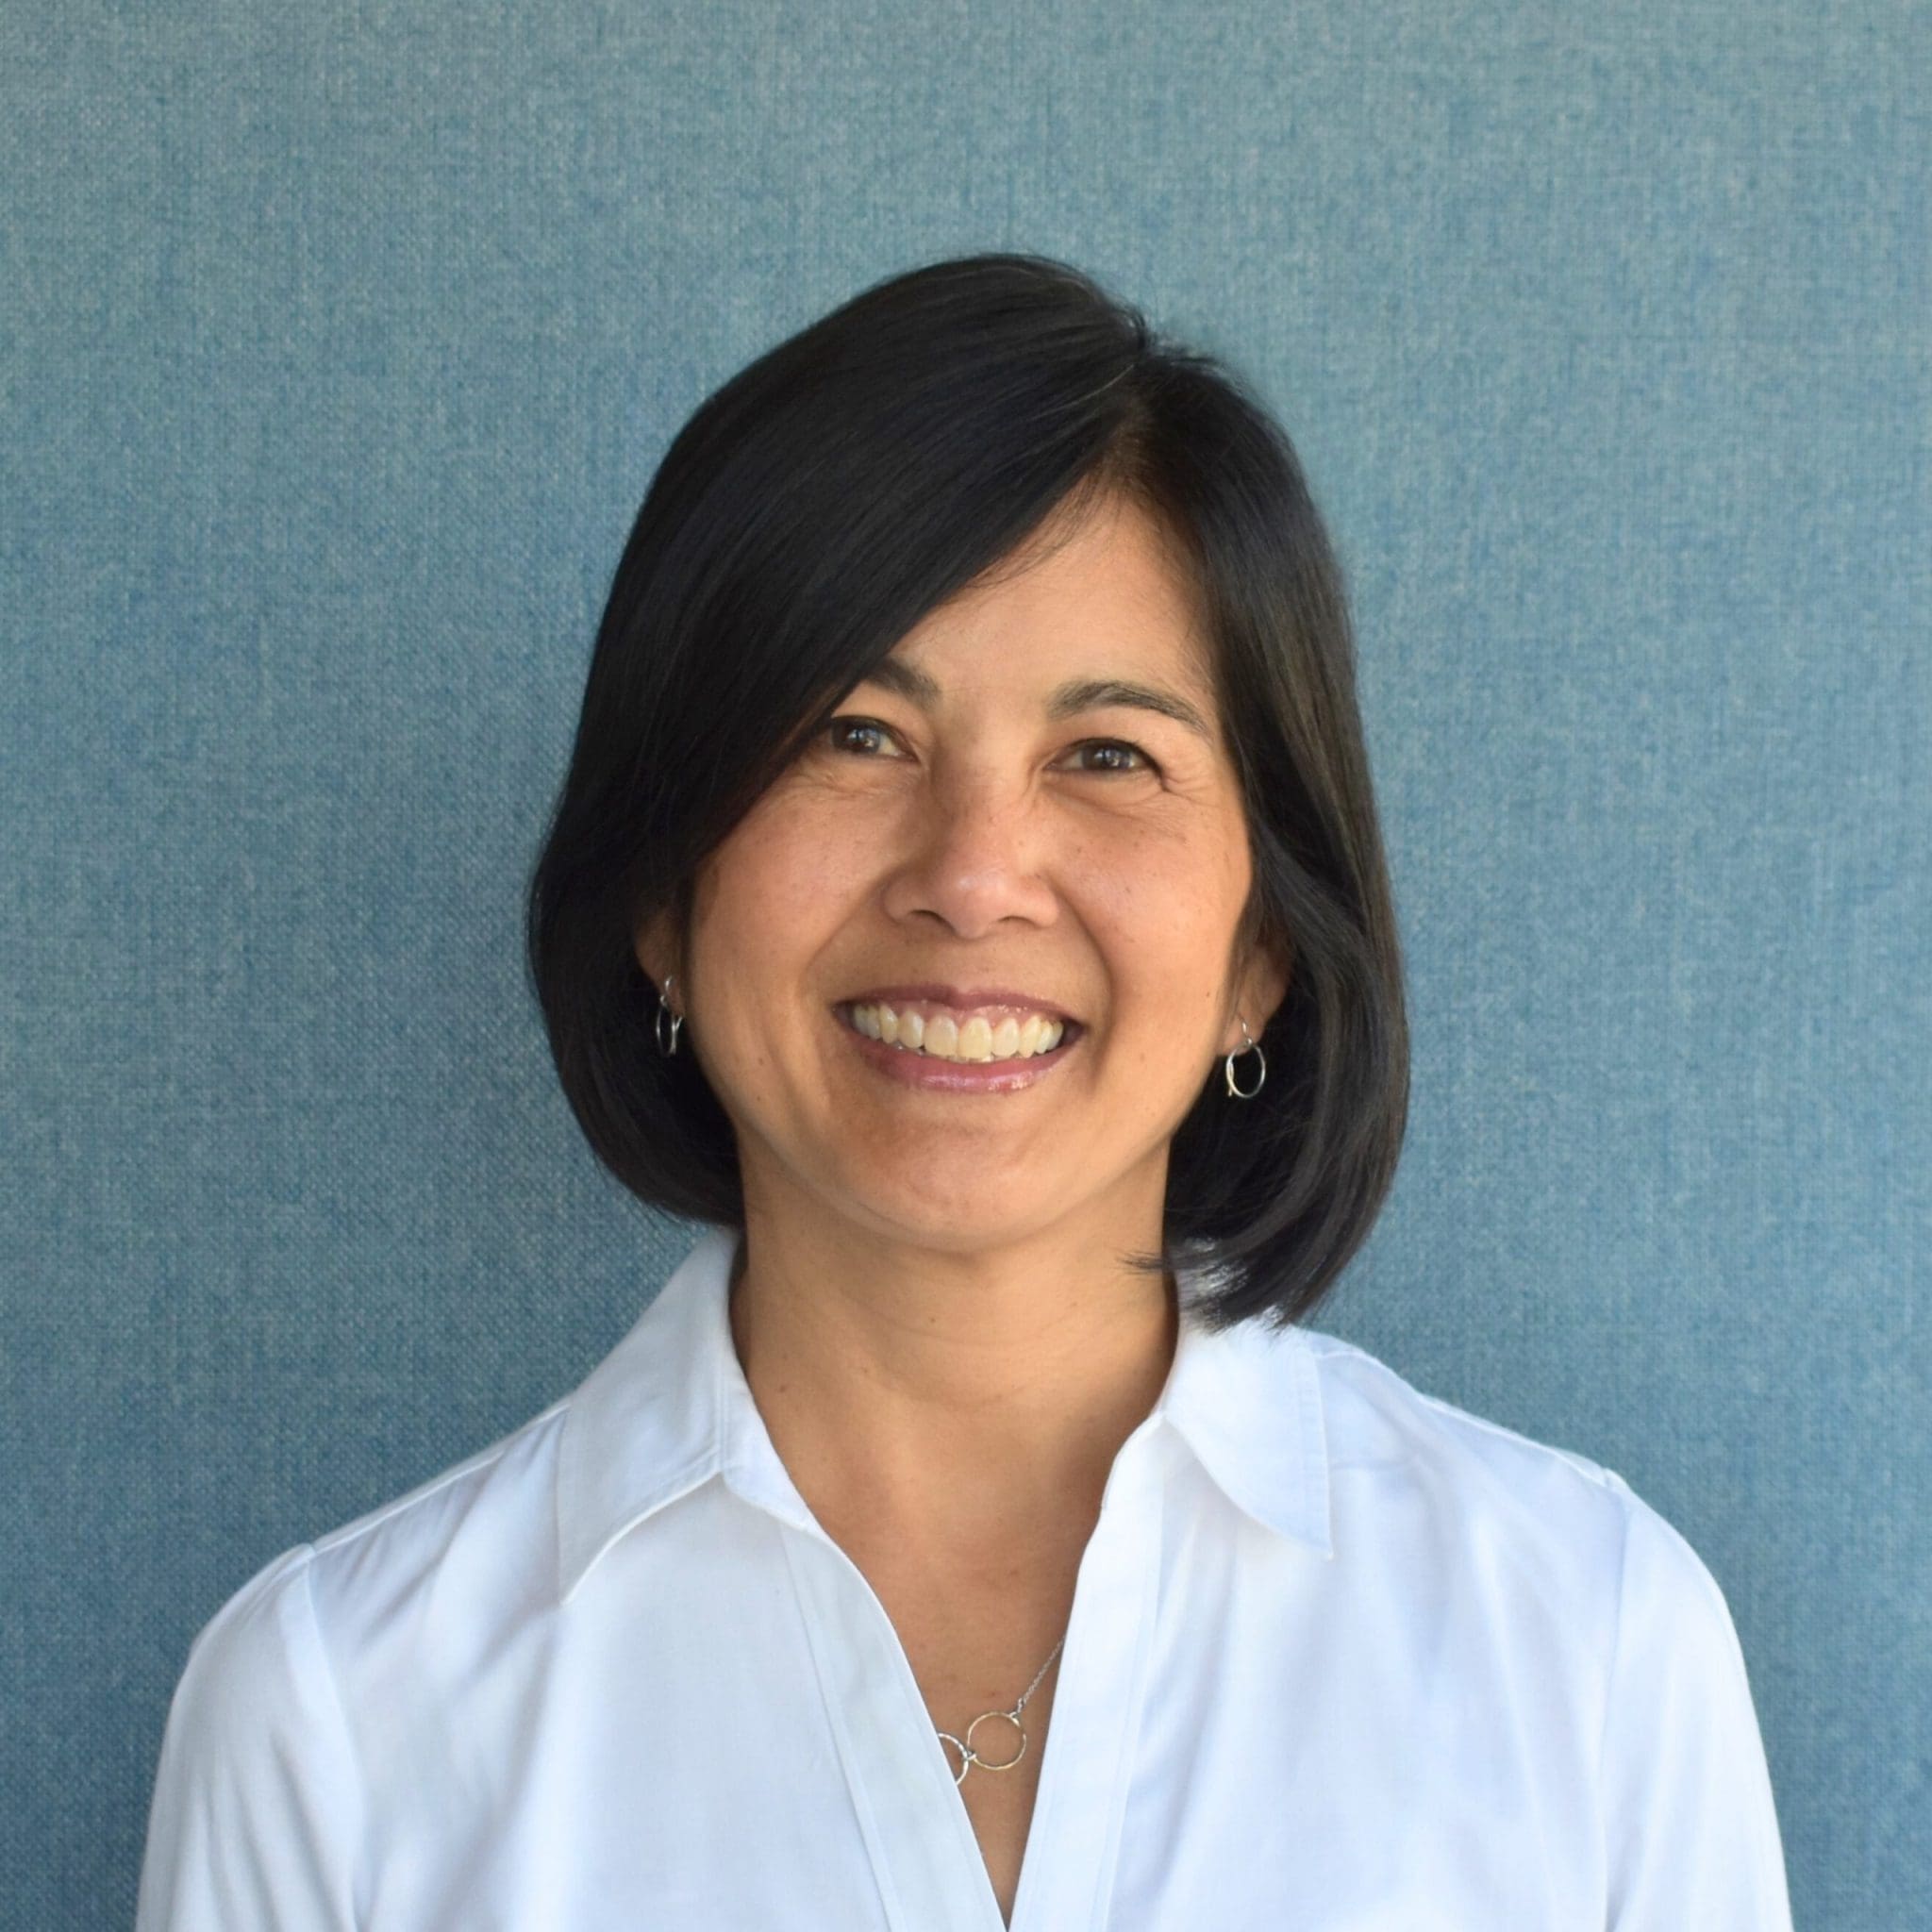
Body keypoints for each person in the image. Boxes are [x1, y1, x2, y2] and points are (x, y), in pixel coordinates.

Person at [135, 254, 1795, 1930]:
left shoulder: (1590, 1651)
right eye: (851, 735)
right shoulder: (336, 1723)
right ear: (661, 893)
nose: (975, 876)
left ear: (1261, 952)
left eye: (1108, 756)